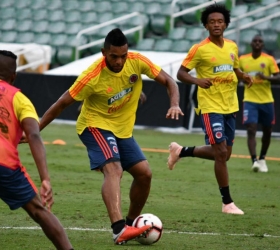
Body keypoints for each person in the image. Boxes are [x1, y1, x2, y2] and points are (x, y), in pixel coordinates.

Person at [38, 28, 184, 244]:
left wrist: (174, 104)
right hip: (93, 126)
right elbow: (60, 104)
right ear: (103, 52)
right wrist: (35, 129)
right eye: (114, 56)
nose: (119, 61)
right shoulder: (91, 76)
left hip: (122, 130)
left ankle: (132, 224)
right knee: (114, 169)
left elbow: (170, 81)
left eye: (123, 56)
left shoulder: (136, 61)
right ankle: (119, 230)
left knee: (144, 175)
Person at [0, 50, 73, 250]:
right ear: (13, 77)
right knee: (39, 211)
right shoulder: (18, 98)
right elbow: (33, 135)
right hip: (0, 162)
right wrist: (45, 179)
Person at [168, 4, 253, 215]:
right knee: (221, 152)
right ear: (206, 25)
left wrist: (243, 76)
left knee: (225, 154)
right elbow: (180, 73)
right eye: (212, 21)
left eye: (220, 21)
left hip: (230, 105)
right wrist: (197, 80)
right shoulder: (200, 49)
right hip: (210, 106)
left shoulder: (232, 47)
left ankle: (181, 151)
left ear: (226, 24)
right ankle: (227, 203)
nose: (216, 24)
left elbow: (233, 68)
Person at [239, 34, 280, 173]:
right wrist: (242, 79)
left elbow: (278, 77)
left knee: (267, 131)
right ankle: (254, 161)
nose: (257, 43)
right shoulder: (243, 60)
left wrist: (265, 77)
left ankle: (262, 158)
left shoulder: (269, 60)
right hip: (250, 100)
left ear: (263, 45)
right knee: (251, 129)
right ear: (251, 44)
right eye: (255, 41)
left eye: (260, 41)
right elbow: (237, 75)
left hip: (267, 101)